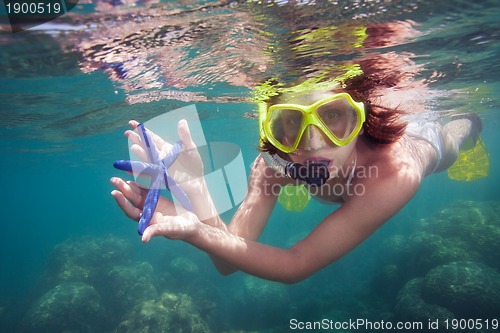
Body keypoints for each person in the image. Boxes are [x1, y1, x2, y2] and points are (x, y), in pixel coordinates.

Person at [110, 58, 482, 284]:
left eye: (334, 116)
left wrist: (197, 231)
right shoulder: (274, 166)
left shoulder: (395, 174)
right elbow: (228, 259)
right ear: (271, 131)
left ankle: (467, 124)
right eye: (289, 123)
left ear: (360, 117)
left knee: (452, 142)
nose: (314, 145)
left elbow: (295, 264)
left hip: (422, 142)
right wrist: (196, 190)